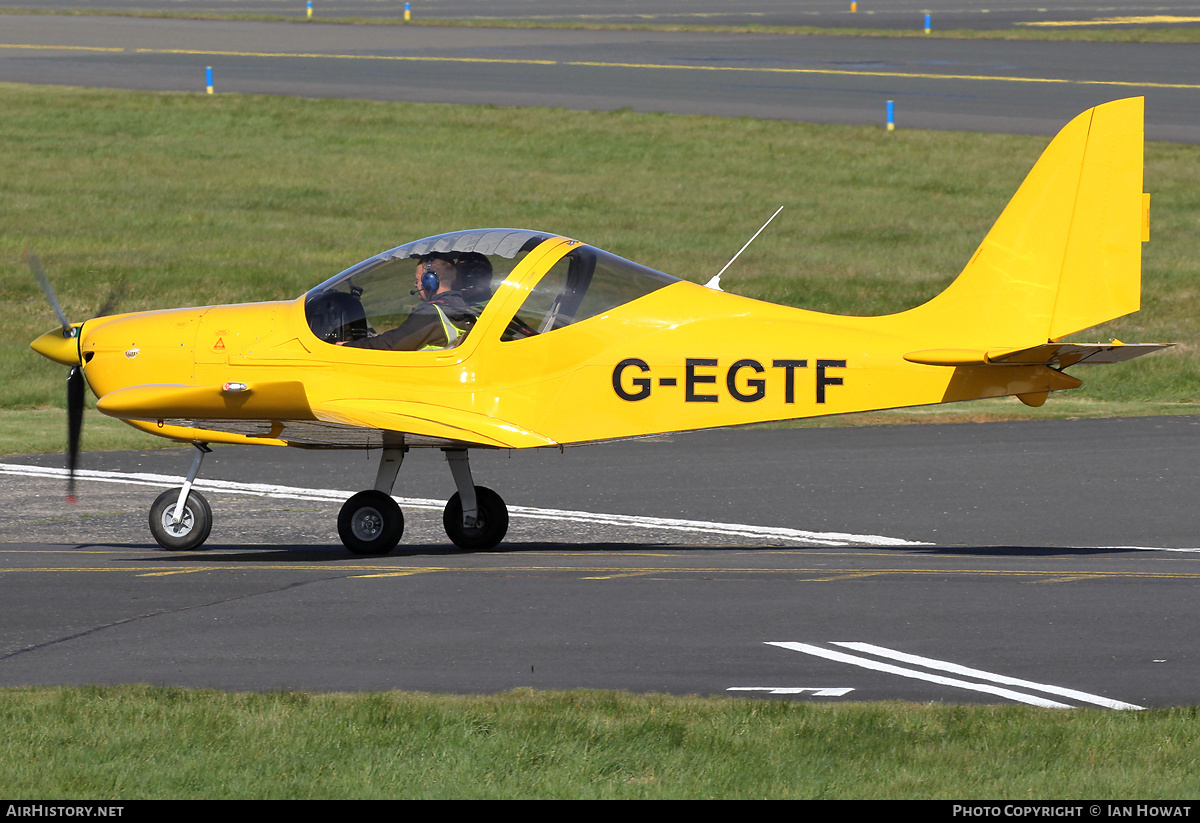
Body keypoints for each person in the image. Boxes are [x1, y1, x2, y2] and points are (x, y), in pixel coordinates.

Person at [341, 253, 476, 351]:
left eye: (418, 280)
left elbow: (392, 343)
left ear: (430, 281)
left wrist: (347, 347)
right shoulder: (465, 309)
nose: (415, 285)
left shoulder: (431, 314)